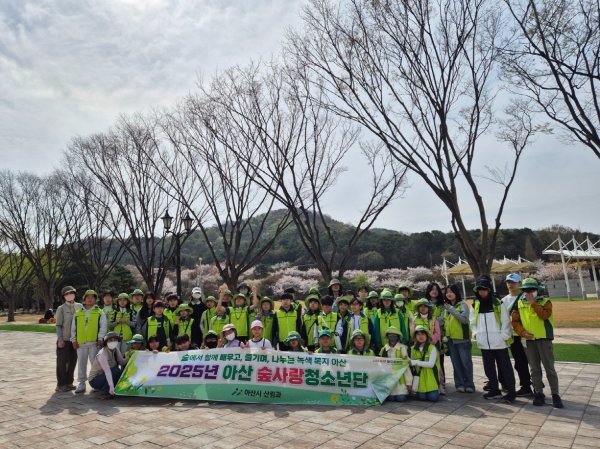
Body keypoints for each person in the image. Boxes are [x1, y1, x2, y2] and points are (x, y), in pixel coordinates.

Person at [511, 278, 563, 408]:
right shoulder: (519, 303)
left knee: (549, 367)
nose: (529, 293)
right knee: (534, 369)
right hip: (529, 340)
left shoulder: (546, 302)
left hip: (544, 339)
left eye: (532, 290)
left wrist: (533, 303)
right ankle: (539, 393)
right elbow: (515, 322)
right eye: (526, 290)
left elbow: (544, 315)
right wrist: (523, 333)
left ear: (537, 290)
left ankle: (555, 394)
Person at [470, 277, 517, 403]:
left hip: (499, 342)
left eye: (484, 289)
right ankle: (494, 389)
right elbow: (472, 321)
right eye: (480, 290)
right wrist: (476, 334)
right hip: (484, 343)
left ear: (489, 290)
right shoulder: (475, 304)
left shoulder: (498, 303)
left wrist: (503, 336)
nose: (482, 292)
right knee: (489, 368)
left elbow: (505, 320)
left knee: (506, 368)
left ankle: (511, 391)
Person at [502, 274, 533, 397]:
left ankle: (537, 386)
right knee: (519, 362)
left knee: (533, 362)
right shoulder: (504, 300)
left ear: (520, 283)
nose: (511, 284)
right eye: (508, 282)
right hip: (514, 335)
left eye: (513, 282)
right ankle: (525, 386)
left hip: (528, 334)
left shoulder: (525, 297)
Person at [70, 289, 107, 394]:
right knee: (81, 364)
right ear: (84, 299)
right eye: (88, 297)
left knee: (95, 365)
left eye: (92, 297)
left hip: (94, 343)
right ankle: (82, 383)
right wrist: (73, 340)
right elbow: (73, 328)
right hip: (81, 343)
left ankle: (96, 383)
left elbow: (103, 327)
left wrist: (100, 338)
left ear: (95, 299)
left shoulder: (100, 312)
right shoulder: (78, 313)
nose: (90, 299)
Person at [444, 284, 474, 393]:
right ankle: (460, 384)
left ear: (456, 293)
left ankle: (469, 384)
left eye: (451, 291)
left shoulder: (462, 305)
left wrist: (451, 309)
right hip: (451, 340)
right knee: (456, 364)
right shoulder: (447, 308)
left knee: (466, 363)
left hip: (462, 340)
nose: (449, 294)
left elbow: (464, 320)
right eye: (447, 292)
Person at [55, 286, 83, 392]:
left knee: (73, 361)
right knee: (62, 362)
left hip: (76, 339)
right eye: (66, 294)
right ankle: (61, 384)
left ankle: (69, 382)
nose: (69, 295)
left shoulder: (80, 306)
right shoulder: (61, 308)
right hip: (65, 339)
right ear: (63, 296)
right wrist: (60, 339)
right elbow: (58, 325)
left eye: (71, 293)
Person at [88, 332, 129, 400]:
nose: (113, 342)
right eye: (110, 340)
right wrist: (111, 386)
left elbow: (122, 362)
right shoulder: (102, 355)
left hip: (105, 376)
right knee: (116, 371)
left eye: (115, 340)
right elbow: (107, 371)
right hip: (95, 380)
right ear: (106, 342)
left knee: (119, 371)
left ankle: (108, 389)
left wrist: (130, 356)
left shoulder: (115, 349)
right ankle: (104, 393)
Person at [379, 327, 412, 401]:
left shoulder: (403, 347)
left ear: (398, 337)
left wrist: (409, 382)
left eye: (394, 335)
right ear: (387, 336)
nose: (392, 337)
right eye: (390, 335)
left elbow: (406, 366)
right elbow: (381, 365)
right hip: (389, 378)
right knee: (391, 398)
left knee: (400, 398)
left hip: (401, 377)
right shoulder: (384, 349)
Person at [410, 325, 440, 402]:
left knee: (433, 398)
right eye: (418, 334)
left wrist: (416, 362)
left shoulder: (432, 348)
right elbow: (411, 363)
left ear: (427, 336)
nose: (420, 336)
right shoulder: (412, 349)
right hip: (420, 378)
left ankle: (436, 390)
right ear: (415, 336)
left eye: (423, 334)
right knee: (422, 398)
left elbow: (431, 364)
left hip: (431, 377)